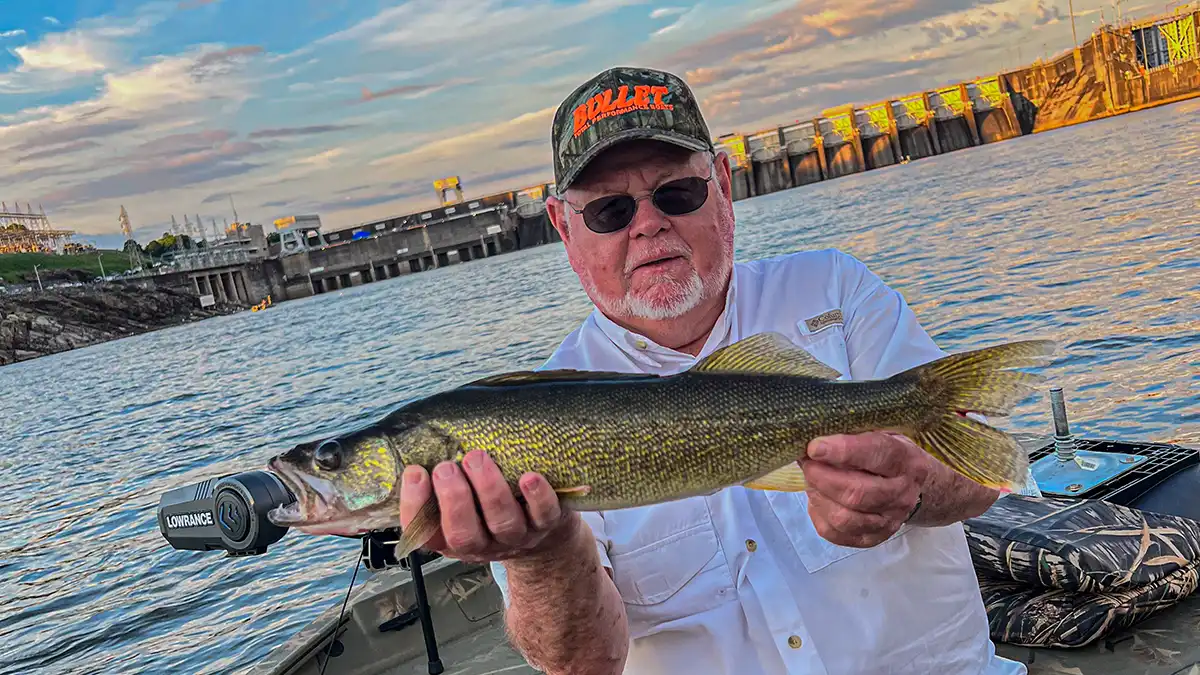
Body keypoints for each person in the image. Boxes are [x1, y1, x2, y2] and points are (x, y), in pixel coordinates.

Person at [399, 66, 1039, 674]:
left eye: (676, 192)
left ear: (724, 189)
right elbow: (585, 666)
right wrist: (543, 555)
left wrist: (914, 484)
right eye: (609, 212)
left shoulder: (836, 289)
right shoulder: (530, 417)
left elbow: (986, 480)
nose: (648, 224)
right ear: (565, 230)